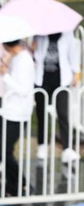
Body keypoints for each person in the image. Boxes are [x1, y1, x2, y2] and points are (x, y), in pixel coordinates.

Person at [33, 32, 82, 164]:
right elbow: (36, 55)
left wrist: (76, 71)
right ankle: (42, 145)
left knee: (63, 114)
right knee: (41, 113)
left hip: (62, 79)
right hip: (42, 78)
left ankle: (67, 148)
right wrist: (33, 48)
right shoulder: (39, 34)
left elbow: (73, 54)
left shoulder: (68, 34)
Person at [0, 39, 34, 197]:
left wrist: (5, 76)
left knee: (4, 151)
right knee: (5, 150)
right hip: (9, 110)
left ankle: (22, 183)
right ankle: (13, 184)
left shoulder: (24, 60)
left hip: (18, 112)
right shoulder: (17, 58)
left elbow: (24, 89)